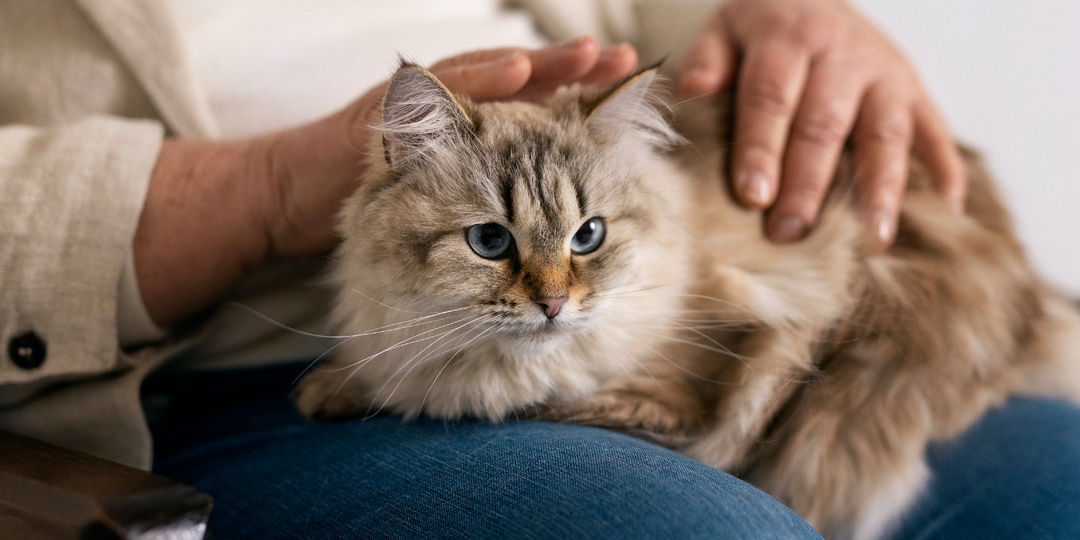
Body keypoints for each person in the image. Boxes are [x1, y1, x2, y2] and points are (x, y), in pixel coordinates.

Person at [1, 0, 1077, 538]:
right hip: (224, 375)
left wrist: (767, 15)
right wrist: (260, 188)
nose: (549, 290)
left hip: (628, 208)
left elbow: (657, 38)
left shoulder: (574, 266)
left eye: (569, 264)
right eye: (511, 259)